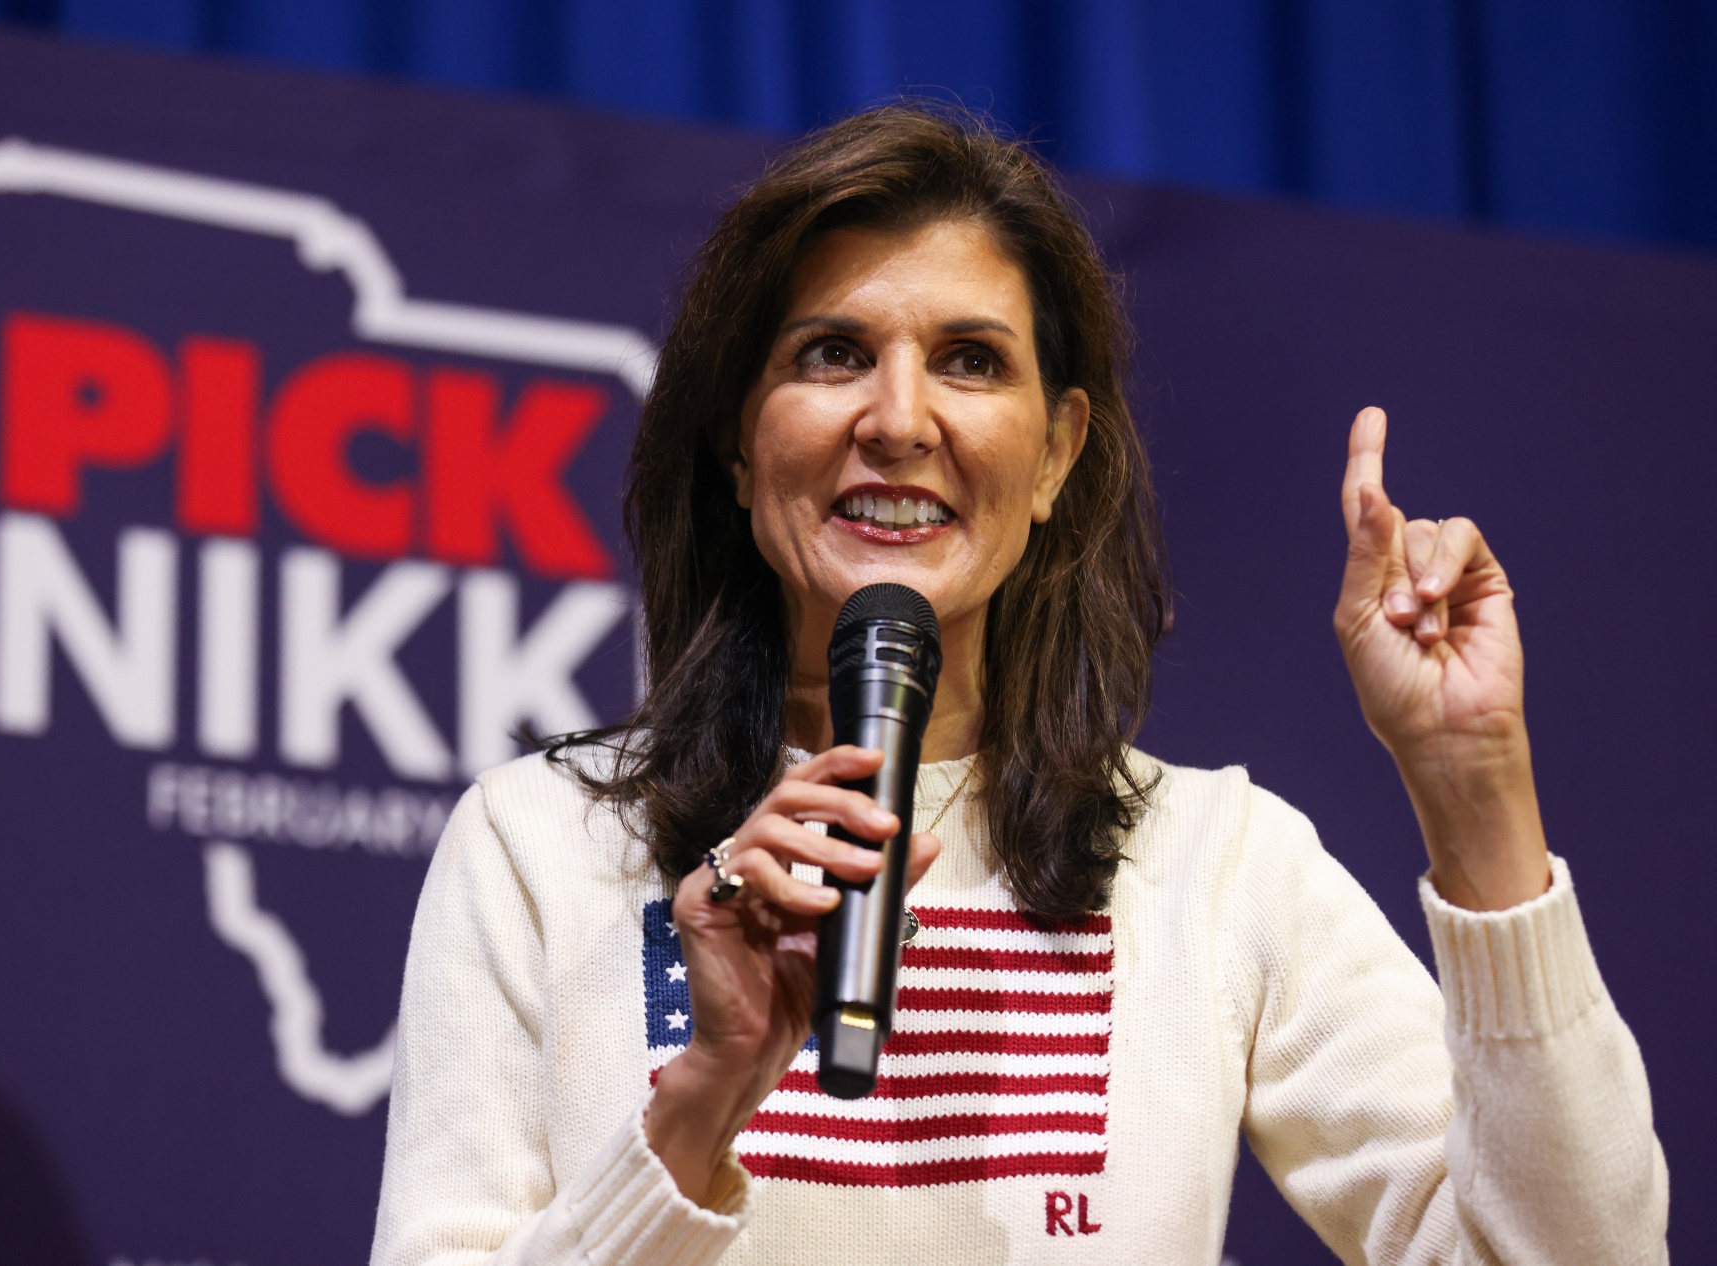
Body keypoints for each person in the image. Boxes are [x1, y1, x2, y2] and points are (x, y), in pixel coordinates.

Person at [370, 105, 1667, 1265]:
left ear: (1054, 455)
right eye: (832, 353)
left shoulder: (1218, 868)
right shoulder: (540, 848)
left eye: (972, 360)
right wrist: (700, 1106)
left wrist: (1473, 786)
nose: (898, 418)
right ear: (735, 442)